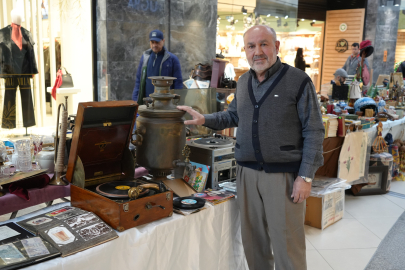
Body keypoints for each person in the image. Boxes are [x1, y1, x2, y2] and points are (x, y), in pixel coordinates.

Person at [178, 25, 324, 270]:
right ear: (245, 50)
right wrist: (204, 119)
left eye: (264, 44)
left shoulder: (298, 81)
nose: (258, 51)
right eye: (251, 46)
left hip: (283, 176)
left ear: (277, 47)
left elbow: (314, 129)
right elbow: (233, 116)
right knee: (253, 245)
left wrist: (305, 176)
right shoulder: (243, 82)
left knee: (287, 246)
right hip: (246, 175)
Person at [132, 30, 183, 104]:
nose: (154, 45)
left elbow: (178, 82)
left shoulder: (172, 59)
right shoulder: (145, 58)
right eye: (152, 42)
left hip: (165, 103)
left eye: (157, 42)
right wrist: (135, 99)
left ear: (163, 41)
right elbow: (138, 80)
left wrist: (176, 101)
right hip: (147, 103)